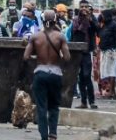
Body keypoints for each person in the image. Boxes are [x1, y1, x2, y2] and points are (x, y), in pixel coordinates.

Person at [23, 10, 70, 140]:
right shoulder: (60, 37)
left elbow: (26, 57)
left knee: (41, 107)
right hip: (55, 73)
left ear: (42, 21)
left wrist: (38, 58)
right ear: (56, 21)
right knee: (54, 106)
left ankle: (44, 136)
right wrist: (58, 56)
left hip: (40, 73)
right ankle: (53, 133)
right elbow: (67, 57)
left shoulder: (35, 37)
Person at [70, 0, 98, 109]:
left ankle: (92, 101)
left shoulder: (92, 19)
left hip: (87, 52)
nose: (84, 8)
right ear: (79, 7)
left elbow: (97, 30)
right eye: (82, 6)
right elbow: (74, 34)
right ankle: (83, 102)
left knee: (87, 76)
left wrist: (89, 19)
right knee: (80, 77)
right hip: (77, 52)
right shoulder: (76, 20)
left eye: (86, 6)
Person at [98, 9, 116, 99]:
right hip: (105, 51)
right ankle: (112, 92)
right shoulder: (104, 25)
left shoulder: (114, 25)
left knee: (112, 72)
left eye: (103, 15)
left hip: (111, 51)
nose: (102, 17)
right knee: (107, 72)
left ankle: (111, 92)